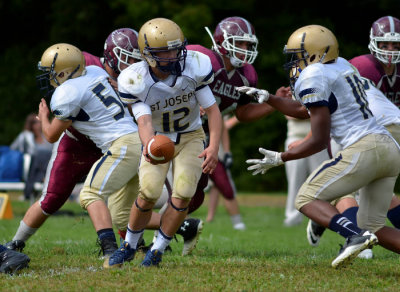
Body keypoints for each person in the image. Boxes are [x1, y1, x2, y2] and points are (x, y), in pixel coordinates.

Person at [239, 24, 400, 268]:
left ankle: (353, 235)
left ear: (314, 54)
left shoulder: (313, 74)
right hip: (388, 148)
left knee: (305, 197)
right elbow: (307, 110)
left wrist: (282, 157)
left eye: (298, 56)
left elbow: (317, 139)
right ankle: (360, 232)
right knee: (375, 226)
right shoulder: (343, 65)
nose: (294, 62)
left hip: (364, 147)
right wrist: (271, 98)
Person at [5, 29, 144, 261]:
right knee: (121, 213)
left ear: (65, 72)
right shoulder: (95, 71)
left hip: (121, 145)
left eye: (52, 72)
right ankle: (170, 231)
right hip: (134, 141)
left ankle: (110, 249)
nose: (49, 77)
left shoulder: (69, 92)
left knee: (90, 194)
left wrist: (43, 116)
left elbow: (50, 136)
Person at [106, 17, 222, 268]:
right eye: (164, 51)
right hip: (159, 137)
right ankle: (129, 246)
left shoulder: (194, 67)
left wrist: (213, 146)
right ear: (148, 55)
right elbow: (144, 122)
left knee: (183, 194)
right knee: (148, 193)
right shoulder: (135, 80)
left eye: (175, 49)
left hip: (191, 136)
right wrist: (149, 145)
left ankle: (157, 250)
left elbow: (212, 111)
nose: (172, 56)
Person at [306, 16, 400, 258]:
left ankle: (332, 219)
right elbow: (327, 104)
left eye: (395, 45)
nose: (390, 51)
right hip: (352, 132)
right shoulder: (362, 66)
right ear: (373, 42)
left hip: (385, 134)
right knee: (351, 187)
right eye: (385, 44)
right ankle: (353, 235)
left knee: (381, 193)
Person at [186, 16, 284, 231]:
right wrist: (190, 101)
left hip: (200, 136)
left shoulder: (247, 76)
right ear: (222, 41)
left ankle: (166, 232)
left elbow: (243, 113)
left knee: (194, 195)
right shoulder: (201, 58)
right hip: (170, 127)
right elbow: (168, 81)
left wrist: (273, 102)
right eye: (239, 42)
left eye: (248, 44)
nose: (244, 48)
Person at [283, 117, 330, 227]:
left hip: (318, 140)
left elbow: (325, 114)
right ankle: (292, 217)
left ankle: (322, 218)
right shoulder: (289, 98)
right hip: (295, 138)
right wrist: (314, 112)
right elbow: (290, 114)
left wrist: (313, 112)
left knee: (322, 179)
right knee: (295, 181)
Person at [10, 113, 53, 201]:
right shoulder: (25, 137)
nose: (39, 124)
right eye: (36, 122)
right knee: (39, 156)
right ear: (31, 124)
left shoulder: (46, 137)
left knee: (45, 156)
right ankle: (44, 179)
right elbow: (13, 151)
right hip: (29, 168)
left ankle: (44, 179)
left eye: (40, 122)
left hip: (46, 165)